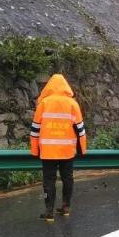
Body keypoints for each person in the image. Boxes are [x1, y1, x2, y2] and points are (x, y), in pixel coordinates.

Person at [30, 74, 87, 222]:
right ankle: (66, 207)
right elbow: (80, 129)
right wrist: (82, 150)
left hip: (48, 151)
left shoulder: (43, 104)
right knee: (68, 178)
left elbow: (35, 129)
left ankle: (49, 211)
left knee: (48, 181)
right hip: (67, 151)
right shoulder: (73, 104)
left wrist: (35, 150)